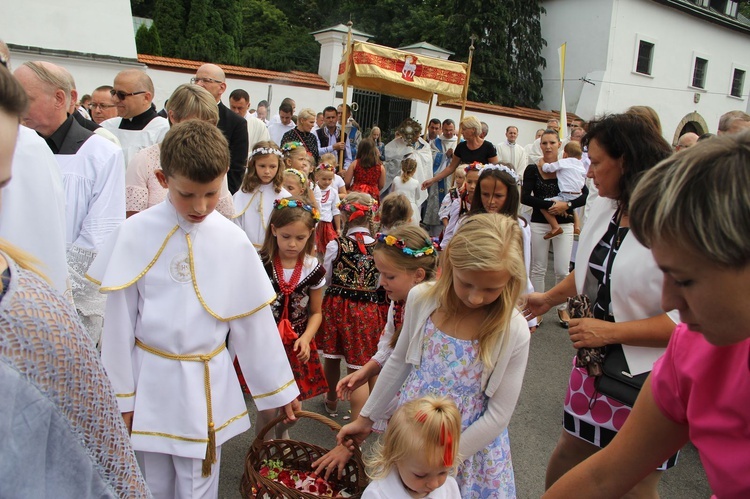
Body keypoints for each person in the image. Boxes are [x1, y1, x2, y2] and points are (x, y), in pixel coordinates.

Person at [89, 120, 299, 497]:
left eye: (211, 193)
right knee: (150, 483)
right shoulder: (136, 232)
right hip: (150, 379)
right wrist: (120, 396)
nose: (200, 207)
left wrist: (278, 389)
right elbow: (119, 323)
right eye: (188, 194)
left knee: (197, 485)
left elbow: (252, 324)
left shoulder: (232, 240)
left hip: (205, 384)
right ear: (162, 178)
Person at [544, 129, 750, 499]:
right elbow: (603, 476)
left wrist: (610, 333)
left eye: (685, 279)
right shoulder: (692, 351)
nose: (669, 300)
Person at [0, 60, 149, 498]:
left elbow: (99, 231)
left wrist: (58, 299)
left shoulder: (31, 319)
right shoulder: (26, 144)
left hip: (57, 285)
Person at [524, 113, 679, 497]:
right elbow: (590, 273)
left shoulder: (671, 221)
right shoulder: (607, 207)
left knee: (637, 480)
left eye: (594, 161)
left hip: (650, 377)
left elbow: (688, 323)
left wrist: (612, 331)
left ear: (625, 160)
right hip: (593, 361)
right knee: (571, 450)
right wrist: (546, 299)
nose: (587, 172)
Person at [338, 214, 530, 498]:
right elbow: (399, 361)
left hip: (468, 449)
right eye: (466, 283)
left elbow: (499, 414)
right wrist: (367, 417)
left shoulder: (513, 329)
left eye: (491, 288)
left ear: (511, 280)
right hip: (415, 438)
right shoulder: (422, 299)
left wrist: (444, 460)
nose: (475, 298)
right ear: (450, 264)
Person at [312, 225, 439, 480]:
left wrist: (367, 418)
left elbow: (401, 363)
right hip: (407, 400)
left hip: (428, 407)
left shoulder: (432, 309)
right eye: (380, 273)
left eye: (389, 276)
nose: (380, 282)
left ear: (418, 275)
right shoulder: (399, 300)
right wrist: (366, 371)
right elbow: (389, 347)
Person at [14, 60, 125, 344]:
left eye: (25, 100)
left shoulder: (101, 153)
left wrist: (51, 289)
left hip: (66, 297)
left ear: (60, 98)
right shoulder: (10, 148)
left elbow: (101, 234)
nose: (16, 109)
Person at [256, 197, 328, 439]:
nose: (293, 244)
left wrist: (307, 338)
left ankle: (281, 434)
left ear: (310, 234)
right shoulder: (260, 263)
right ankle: (262, 454)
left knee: (293, 411)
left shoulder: (312, 268)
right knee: (266, 411)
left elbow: (316, 312)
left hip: (297, 346)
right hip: (265, 344)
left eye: (300, 238)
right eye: (286, 236)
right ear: (274, 230)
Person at [319, 193, 387, 419]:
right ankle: (364, 415)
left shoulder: (335, 245)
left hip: (337, 307)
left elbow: (326, 278)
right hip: (367, 308)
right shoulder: (380, 246)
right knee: (360, 365)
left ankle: (331, 400)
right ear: (371, 215)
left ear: (346, 215)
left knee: (332, 356)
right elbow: (380, 282)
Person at [125, 84, 234, 218]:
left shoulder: (213, 160)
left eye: (210, 124)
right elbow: (134, 220)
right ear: (173, 117)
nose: (203, 131)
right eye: (195, 123)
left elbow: (223, 217)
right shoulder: (144, 160)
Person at [521, 129, 588, 327]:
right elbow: (525, 197)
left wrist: (566, 205)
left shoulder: (569, 166)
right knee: (538, 268)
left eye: (552, 143)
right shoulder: (533, 169)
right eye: (544, 143)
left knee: (562, 269)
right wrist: (550, 206)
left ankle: (562, 308)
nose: (548, 146)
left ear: (560, 145)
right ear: (539, 145)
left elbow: (583, 194)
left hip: (565, 223)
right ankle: (536, 308)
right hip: (539, 222)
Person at [467, 164, 537, 331]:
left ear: (510, 196)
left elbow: (522, 270)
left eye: (498, 196)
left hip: (502, 296)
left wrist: (527, 316)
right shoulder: (468, 223)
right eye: (485, 194)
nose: (491, 201)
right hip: (469, 293)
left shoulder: (520, 227)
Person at [362, 396, 462, 499]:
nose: (434, 484)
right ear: (394, 458)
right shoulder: (377, 495)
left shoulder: (449, 488)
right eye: (420, 475)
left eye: (442, 472)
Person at [192, 64, 249, 195]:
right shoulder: (182, 115)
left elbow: (236, 169)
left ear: (221, 87)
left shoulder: (236, 123)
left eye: (206, 80)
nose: (199, 85)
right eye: (196, 80)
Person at [100, 69, 169, 165]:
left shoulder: (164, 131)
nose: (115, 99)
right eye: (113, 93)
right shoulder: (106, 128)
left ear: (146, 98)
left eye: (121, 95)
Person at [232, 141, 290, 249]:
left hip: (271, 251)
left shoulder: (284, 197)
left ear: (279, 166)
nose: (267, 171)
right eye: (262, 166)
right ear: (254, 165)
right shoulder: (242, 194)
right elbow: (235, 223)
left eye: (272, 167)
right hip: (245, 250)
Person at [421, 116, 498, 191]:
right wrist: (433, 180)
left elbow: (495, 168)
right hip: (464, 186)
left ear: (473, 130)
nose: (461, 132)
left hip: (481, 186)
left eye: (464, 129)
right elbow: (451, 168)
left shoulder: (488, 147)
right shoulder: (461, 147)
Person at [539, 141, 586, 239]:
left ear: (565, 154)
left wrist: (542, 162)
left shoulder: (563, 162)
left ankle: (555, 227)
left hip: (565, 194)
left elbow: (548, 168)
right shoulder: (581, 165)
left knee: (543, 204)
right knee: (572, 207)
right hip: (578, 194)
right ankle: (577, 227)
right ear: (580, 157)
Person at [424, 119, 458, 237]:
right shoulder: (436, 142)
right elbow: (430, 157)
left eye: (451, 130)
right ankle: (434, 232)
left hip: (453, 179)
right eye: (446, 130)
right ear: (442, 130)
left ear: (454, 129)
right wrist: (444, 155)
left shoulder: (460, 142)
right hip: (438, 178)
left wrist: (455, 157)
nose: (449, 133)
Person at [441, 162, 481, 249]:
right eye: (469, 182)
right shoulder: (459, 203)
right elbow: (450, 231)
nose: (472, 186)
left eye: (477, 183)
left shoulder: (486, 205)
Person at [228, 88, 270, 154]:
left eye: (240, 108)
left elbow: (264, 150)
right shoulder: (224, 121)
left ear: (248, 106)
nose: (236, 111)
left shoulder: (259, 126)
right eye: (233, 107)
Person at [345, 138, 386, 202]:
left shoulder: (355, 163)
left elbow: (347, 182)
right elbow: (381, 185)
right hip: (373, 195)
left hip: (356, 193)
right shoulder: (380, 167)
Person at [315, 163, 342, 258]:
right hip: (315, 223)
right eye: (324, 179)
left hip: (327, 225)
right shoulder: (313, 189)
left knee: (329, 248)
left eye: (330, 179)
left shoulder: (333, 192)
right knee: (314, 248)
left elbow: (336, 210)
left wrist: (338, 228)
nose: (327, 182)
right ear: (317, 177)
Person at [283, 141, 320, 208]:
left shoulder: (306, 182)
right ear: (289, 161)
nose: (303, 163)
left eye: (304, 159)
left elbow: (315, 207)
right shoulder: (280, 178)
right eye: (301, 159)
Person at [316, 106, 351, 170]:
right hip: (322, 171)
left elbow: (348, 158)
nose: (331, 120)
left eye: (333, 117)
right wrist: (333, 147)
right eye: (328, 118)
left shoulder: (343, 136)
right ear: (323, 119)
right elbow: (317, 152)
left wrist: (345, 169)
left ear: (337, 118)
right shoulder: (317, 133)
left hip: (338, 172)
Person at [391, 157, 421, 225]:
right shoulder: (416, 182)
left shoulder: (396, 179)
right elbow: (418, 197)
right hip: (411, 207)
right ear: (414, 170)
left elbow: (392, 193)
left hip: (397, 205)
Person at [438, 165, 465, 232]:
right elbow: (444, 214)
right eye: (456, 177)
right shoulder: (452, 194)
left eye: (460, 177)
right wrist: (449, 229)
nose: (457, 179)